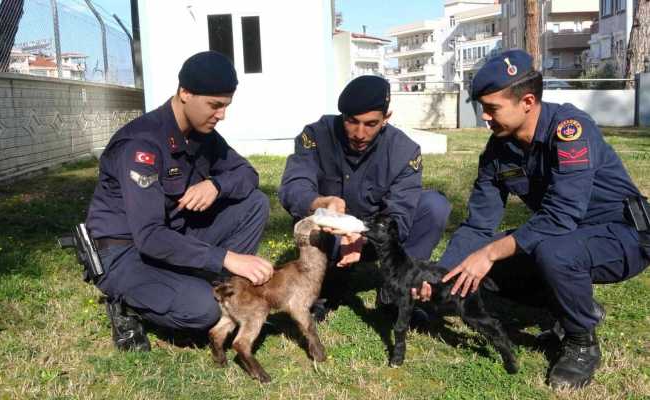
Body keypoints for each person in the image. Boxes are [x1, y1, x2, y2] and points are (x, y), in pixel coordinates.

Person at [413, 49, 650, 389]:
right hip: (568, 237)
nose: (484, 117)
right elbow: (479, 224)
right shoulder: (499, 151)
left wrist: (489, 253)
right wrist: (443, 274)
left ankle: (581, 341)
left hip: (624, 235)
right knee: (484, 261)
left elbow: (561, 214)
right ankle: (576, 305)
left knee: (547, 252)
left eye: (492, 108)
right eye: (482, 107)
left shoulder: (570, 130)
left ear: (527, 101)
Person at [85, 51, 274, 351]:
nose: (221, 115)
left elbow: (247, 174)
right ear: (185, 93)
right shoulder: (142, 144)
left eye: (226, 106)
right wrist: (227, 257)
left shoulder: (201, 134)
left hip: (172, 236)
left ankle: (213, 288)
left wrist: (216, 185)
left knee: (255, 204)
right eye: (215, 105)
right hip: (126, 253)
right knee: (206, 310)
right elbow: (148, 236)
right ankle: (125, 304)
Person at [279, 75, 451, 318]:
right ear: (342, 116)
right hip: (329, 233)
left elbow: (400, 215)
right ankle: (321, 292)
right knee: (309, 216)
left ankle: (395, 293)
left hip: (375, 239)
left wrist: (363, 234)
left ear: (386, 118)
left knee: (434, 206)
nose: (360, 133)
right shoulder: (317, 135)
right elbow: (293, 186)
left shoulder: (404, 151)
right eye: (352, 121)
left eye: (371, 124)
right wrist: (321, 205)